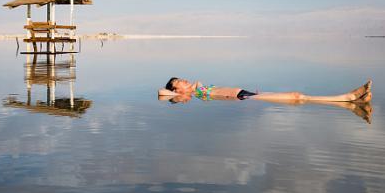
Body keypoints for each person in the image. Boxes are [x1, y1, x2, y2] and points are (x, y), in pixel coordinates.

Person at [158, 78, 372, 103]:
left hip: (246, 93)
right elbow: (161, 92)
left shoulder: (194, 90)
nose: (184, 80)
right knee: (297, 97)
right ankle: (348, 97)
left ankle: (357, 101)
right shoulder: (189, 94)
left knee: (297, 97)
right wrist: (176, 92)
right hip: (241, 96)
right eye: (179, 82)